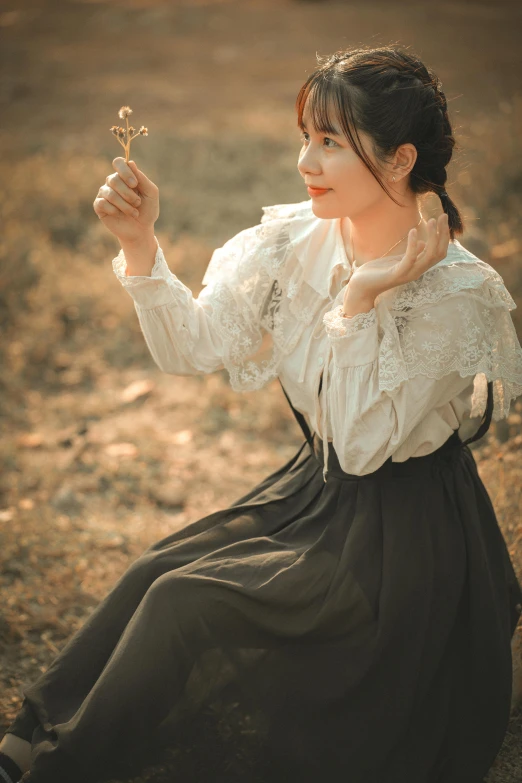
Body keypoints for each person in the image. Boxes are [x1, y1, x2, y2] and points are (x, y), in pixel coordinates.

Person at [2, 44, 522, 783]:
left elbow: (367, 447)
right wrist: (141, 243)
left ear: (401, 159)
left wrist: (361, 298)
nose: (306, 160)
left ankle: (64, 768)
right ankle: (31, 736)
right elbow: (197, 344)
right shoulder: (296, 242)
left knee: (186, 601)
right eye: (305, 137)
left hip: (405, 541)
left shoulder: (456, 292)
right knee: (159, 567)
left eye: (331, 143)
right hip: (317, 494)